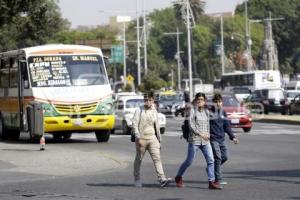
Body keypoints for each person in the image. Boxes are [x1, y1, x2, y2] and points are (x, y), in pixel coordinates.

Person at [175, 92, 221, 190]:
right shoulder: (192, 111)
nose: (200, 101)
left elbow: (207, 125)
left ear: (205, 101)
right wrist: (201, 134)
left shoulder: (206, 112)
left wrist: (208, 134)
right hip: (194, 141)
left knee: (211, 160)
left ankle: (211, 182)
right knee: (188, 161)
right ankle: (178, 177)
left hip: (205, 141)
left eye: (202, 99)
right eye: (198, 99)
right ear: (195, 101)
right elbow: (191, 125)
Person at [132, 92, 171, 188]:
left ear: (153, 100)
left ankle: (162, 179)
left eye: (150, 100)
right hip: (142, 139)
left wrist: (159, 140)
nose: (148, 102)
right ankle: (137, 179)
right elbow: (134, 124)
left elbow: (157, 126)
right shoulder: (139, 110)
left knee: (157, 158)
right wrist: (138, 137)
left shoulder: (154, 110)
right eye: (146, 100)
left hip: (153, 138)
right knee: (139, 159)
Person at [209, 93, 239, 186]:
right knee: (217, 157)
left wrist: (233, 137)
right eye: (216, 102)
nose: (218, 103)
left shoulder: (224, 112)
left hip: (221, 139)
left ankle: (212, 168)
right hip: (213, 139)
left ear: (222, 102)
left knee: (225, 157)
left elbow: (227, 126)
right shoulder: (209, 113)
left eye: (220, 101)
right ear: (213, 103)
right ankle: (218, 179)